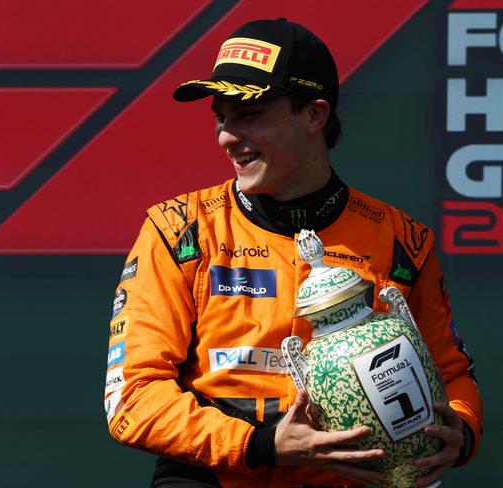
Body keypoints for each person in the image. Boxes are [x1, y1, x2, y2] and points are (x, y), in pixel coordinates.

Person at [104, 18, 482, 488]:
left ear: (313, 115)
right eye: (221, 116)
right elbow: (132, 400)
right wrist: (263, 447)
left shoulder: (401, 240)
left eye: (249, 114)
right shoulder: (179, 229)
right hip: (215, 477)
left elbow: (451, 375)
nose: (226, 135)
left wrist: (459, 434)